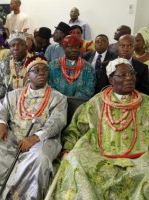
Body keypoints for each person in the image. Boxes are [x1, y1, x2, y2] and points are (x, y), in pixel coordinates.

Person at [54, 58, 149, 199]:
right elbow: (76, 127)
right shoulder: (97, 102)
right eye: (123, 75)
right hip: (98, 153)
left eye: (132, 74)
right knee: (75, 158)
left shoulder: (146, 102)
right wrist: (68, 147)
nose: (129, 78)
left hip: (140, 156)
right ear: (111, 80)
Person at [0, 55, 67, 199]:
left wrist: (35, 138)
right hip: (13, 137)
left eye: (44, 70)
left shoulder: (58, 98)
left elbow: (57, 121)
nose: (41, 73)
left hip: (43, 140)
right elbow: (0, 110)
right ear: (28, 75)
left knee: (39, 159)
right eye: (36, 70)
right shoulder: (13, 95)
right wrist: (1, 124)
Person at [0, 31, 31, 106]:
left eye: (20, 45)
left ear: (26, 46)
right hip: (8, 104)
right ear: (9, 47)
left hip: (29, 104)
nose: (16, 48)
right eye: (13, 45)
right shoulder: (4, 63)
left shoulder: (34, 63)